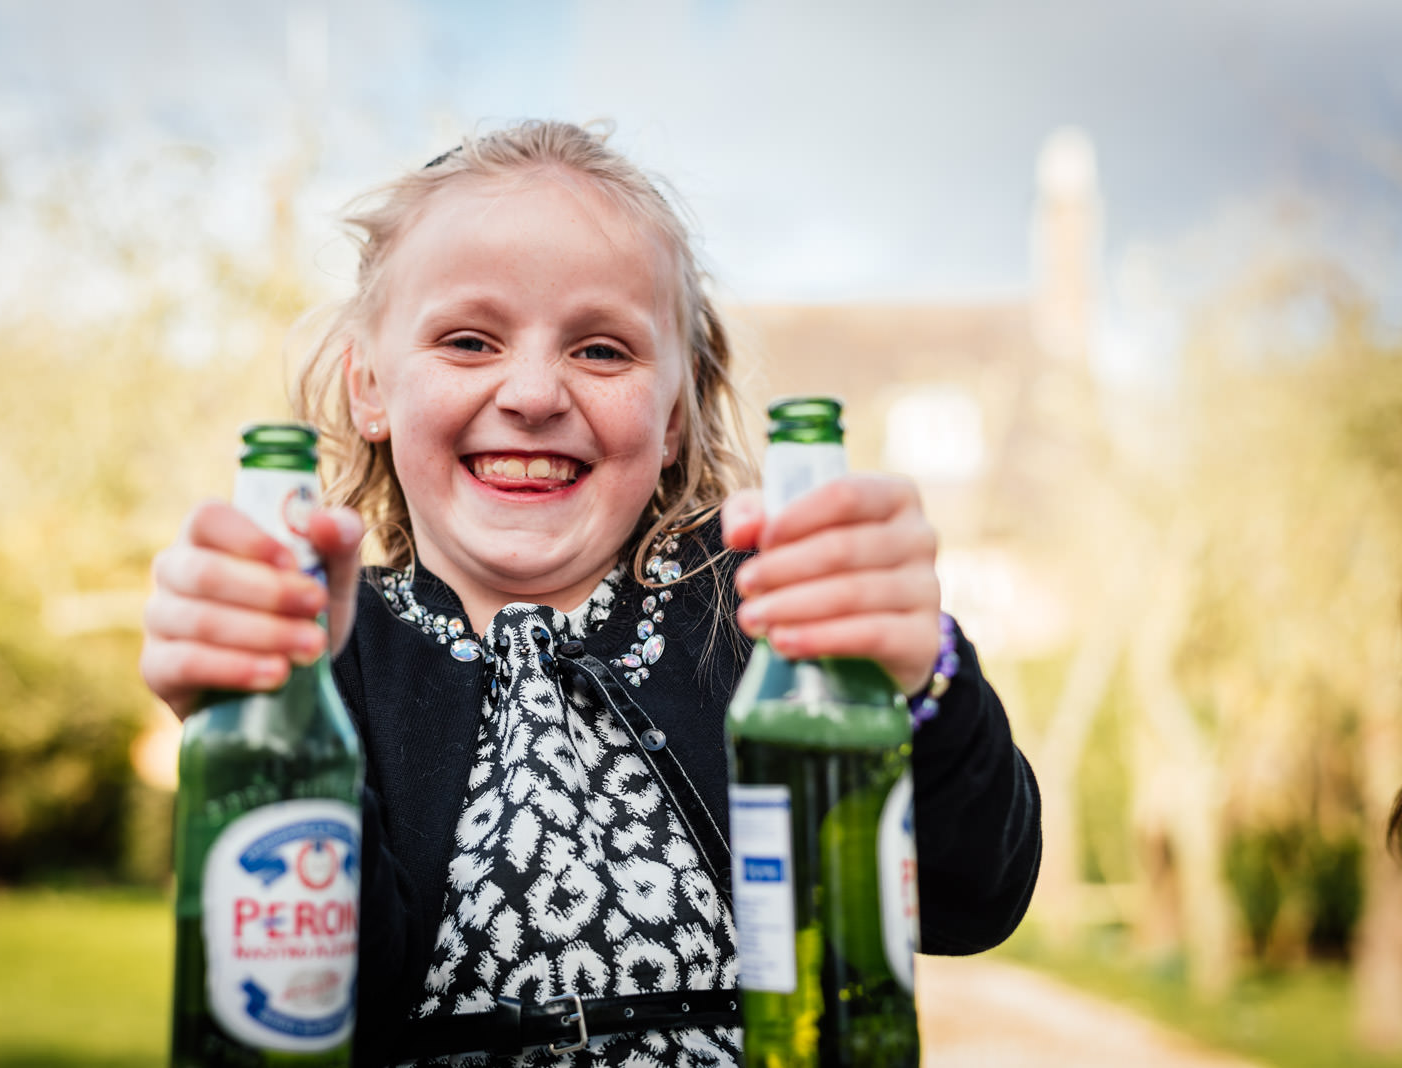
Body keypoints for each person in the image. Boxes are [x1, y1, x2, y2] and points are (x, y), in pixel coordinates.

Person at [140, 120, 1042, 1067]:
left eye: (603, 351)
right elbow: (308, 1010)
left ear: (675, 419)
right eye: (468, 340)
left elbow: (971, 896)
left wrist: (921, 677)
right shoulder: (334, 652)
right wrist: (271, 722)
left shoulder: (765, 616)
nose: (532, 392)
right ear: (372, 388)